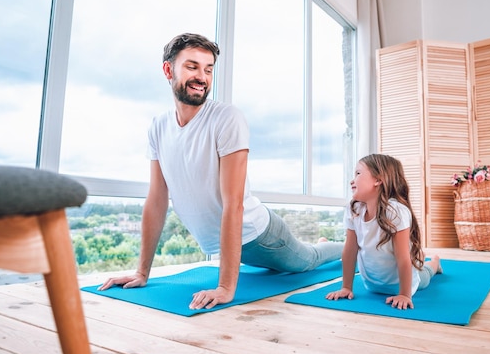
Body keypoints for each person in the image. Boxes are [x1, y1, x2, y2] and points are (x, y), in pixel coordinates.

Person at [98, 33, 343, 309]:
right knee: (276, 272)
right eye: (192, 67)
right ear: (168, 70)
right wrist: (141, 272)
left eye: (208, 69)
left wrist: (226, 287)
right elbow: (156, 200)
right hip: (233, 247)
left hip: (261, 236)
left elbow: (234, 204)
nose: (202, 77)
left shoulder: (227, 118)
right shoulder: (158, 126)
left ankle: (344, 247)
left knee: (308, 261)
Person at [325, 154, 442, 310]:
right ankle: (420, 256)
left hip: (400, 284)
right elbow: (350, 250)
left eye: (358, 173)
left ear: (378, 180)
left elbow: (403, 257)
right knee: (415, 258)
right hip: (372, 284)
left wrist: (405, 295)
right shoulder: (354, 209)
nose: (352, 180)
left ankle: (434, 262)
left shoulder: (396, 211)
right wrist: (346, 287)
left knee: (425, 274)